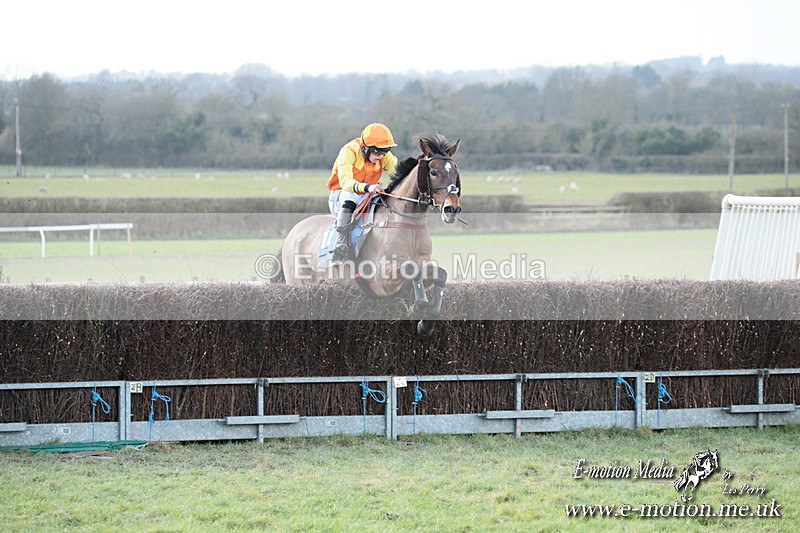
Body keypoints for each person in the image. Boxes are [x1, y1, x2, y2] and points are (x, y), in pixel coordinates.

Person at [326, 122, 398, 262]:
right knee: (350, 195)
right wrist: (368, 188)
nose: (380, 156)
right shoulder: (348, 151)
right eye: (376, 151)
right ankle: (340, 243)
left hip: (367, 194)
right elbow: (346, 183)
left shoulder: (384, 156)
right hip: (341, 195)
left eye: (385, 151)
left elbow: (399, 175)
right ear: (365, 148)